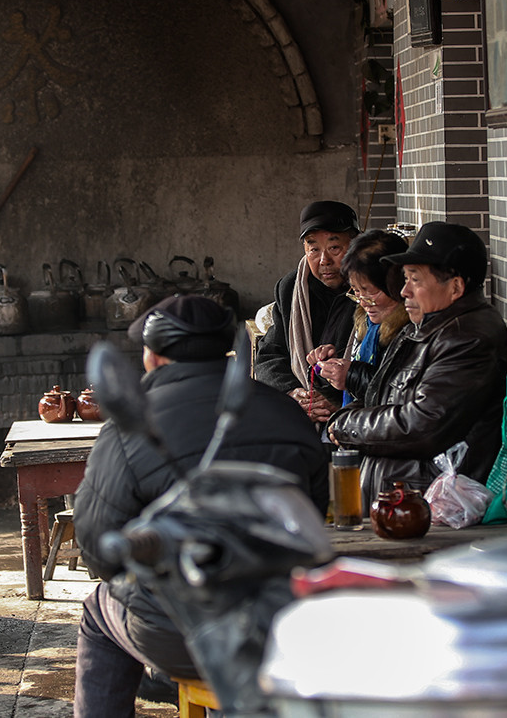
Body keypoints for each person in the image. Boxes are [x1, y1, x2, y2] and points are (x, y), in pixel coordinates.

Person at [73, 295, 329, 716]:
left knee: (98, 609)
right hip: (283, 625)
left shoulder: (126, 430)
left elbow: (99, 550)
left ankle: (157, 678)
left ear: (152, 357)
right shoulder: (287, 412)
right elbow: (313, 517)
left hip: (183, 634)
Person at [323, 221, 507, 507]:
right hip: (399, 496)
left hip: (427, 505)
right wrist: (343, 419)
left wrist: (344, 426)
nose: (404, 291)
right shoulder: (425, 327)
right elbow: (375, 394)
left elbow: (421, 425)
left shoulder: (467, 339)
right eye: (405, 279)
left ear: (455, 287)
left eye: (415, 280)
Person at [253, 200, 360, 425]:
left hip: (355, 408)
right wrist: (293, 393)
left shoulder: (371, 289)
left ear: (355, 245)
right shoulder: (292, 287)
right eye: (314, 249)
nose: (324, 260)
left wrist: (337, 399)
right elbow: (270, 353)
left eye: (334, 248)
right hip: (302, 409)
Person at [306, 229, 410, 407]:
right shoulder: (367, 323)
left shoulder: (413, 332)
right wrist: (327, 368)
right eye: (356, 292)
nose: (363, 303)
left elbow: (405, 397)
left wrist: (352, 375)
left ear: (396, 284)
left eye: (370, 292)